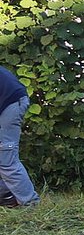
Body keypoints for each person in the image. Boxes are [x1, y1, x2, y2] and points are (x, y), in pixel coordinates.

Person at [0, 66, 40, 208]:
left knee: (6, 157)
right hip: (9, 100)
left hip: (10, 103)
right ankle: (7, 196)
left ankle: (30, 203)